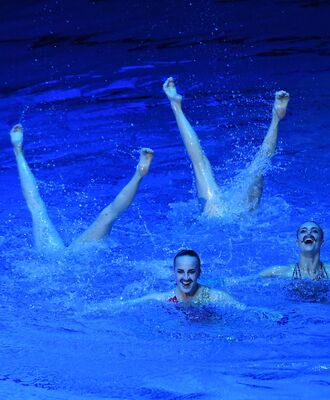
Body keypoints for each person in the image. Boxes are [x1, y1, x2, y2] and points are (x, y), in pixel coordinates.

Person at [9, 124, 154, 254]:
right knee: (106, 217)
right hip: (72, 255)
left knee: (36, 207)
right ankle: (138, 175)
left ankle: (18, 152)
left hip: (53, 256)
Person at [162, 77, 289, 217]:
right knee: (257, 169)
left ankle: (176, 107)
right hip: (239, 215)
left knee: (203, 164)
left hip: (215, 214)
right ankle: (276, 118)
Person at [128, 249, 286, 322]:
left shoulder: (212, 296)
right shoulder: (167, 298)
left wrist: (271, 315)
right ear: (174, 273)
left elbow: (243, 308)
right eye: (181, 272)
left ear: (199, 273)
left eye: (191, 272)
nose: (186, 278)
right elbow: (133, 303)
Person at [259, 221, 330, 280]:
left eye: (314, 231)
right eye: (303, 231)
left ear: (321, 242)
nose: (309, 233)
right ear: (297, 242)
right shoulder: (281, 272)